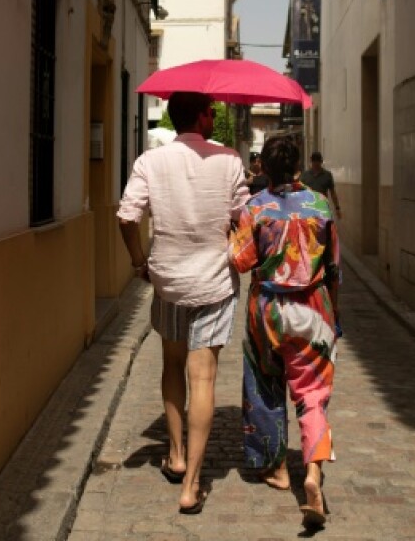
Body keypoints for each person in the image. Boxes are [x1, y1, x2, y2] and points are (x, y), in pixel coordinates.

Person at [117, 91, 249, 515]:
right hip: (213, 284)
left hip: (169, 283)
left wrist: (139, 261)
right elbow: (243, 217)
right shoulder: (229, 160)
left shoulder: (150, 161)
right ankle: (191, 485)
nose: (214, 116)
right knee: (203, 379)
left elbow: (127, 217)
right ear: (202, 116)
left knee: (172, 365)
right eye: (212, 111)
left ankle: (174, 455)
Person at [229, 134, 341, 529]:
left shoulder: (255, 207)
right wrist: (335, 315)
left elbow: (241, 261)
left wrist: (232, 232)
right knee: (313, 396)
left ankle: (276, 469)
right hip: (314, 307)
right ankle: (312, 473)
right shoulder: (320, 204)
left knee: (265, 385)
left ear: (263, 167)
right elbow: (334, 266)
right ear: (297, 166)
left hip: (268, 310)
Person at [299, 151, 341, 220]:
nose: (316, 163)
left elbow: (333, 193)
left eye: (317, 161)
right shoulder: (305, 176)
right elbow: (300, 192)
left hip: (323, 209)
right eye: (314, 161)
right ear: (311, 161)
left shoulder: (327, 175)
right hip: (309, 210)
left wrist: (337, 208)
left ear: (321, 161)